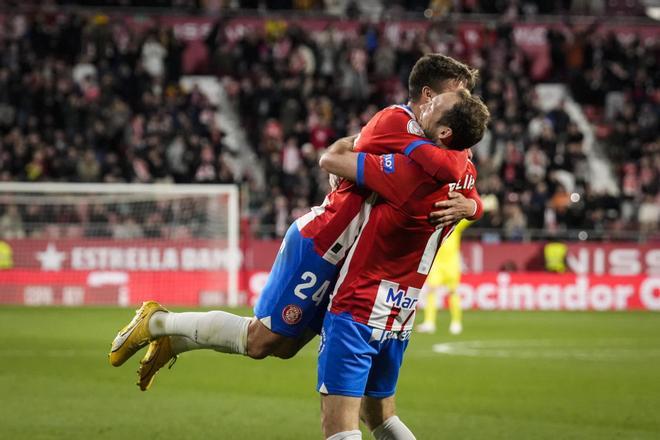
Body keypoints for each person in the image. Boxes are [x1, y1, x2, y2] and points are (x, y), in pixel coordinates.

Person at [108, 54, 481, 392]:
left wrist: (471, 206)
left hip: (351, 259)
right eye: (458, 95)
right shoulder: (399, 121)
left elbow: (462, 176)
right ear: (429, 95)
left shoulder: (434, 141)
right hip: (323, 241)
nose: (465, 103)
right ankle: (158, 323)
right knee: (261, 341)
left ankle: (172, 337)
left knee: (283, 348)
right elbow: (447, 165)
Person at [316, 90, 490, 440]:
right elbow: (474, 201)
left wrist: (369, 139)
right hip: (400, 313)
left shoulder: (408, 175)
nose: (425, 105)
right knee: (381, 418)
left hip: (358, 307)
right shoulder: (465, 172)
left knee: (340, 427)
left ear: (444, 134)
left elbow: (332, 160)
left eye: (434, 106)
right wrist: (473, 208)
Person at [417, 218, 474, 335]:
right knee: (431, 291)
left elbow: (470, 217)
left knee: (453, 292)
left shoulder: (456, 225)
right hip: (436, 264)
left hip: (451, 264)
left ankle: (456, 323)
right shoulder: (434, 226)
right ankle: (429, 323)